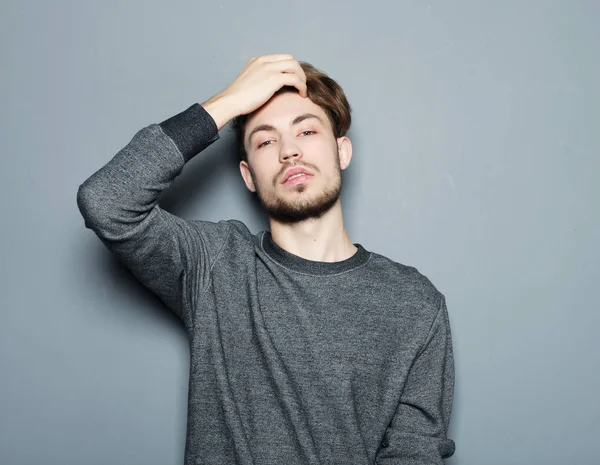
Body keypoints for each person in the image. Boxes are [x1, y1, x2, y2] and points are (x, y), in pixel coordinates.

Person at [77, 54, 456, 464]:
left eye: (307, 131)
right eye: (266, 140)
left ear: (341, 152)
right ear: (248, 176)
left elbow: (414, 452)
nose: (289, 151)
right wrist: (227, 101)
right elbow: (107, 202)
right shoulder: (215, 264)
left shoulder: (414, 303)